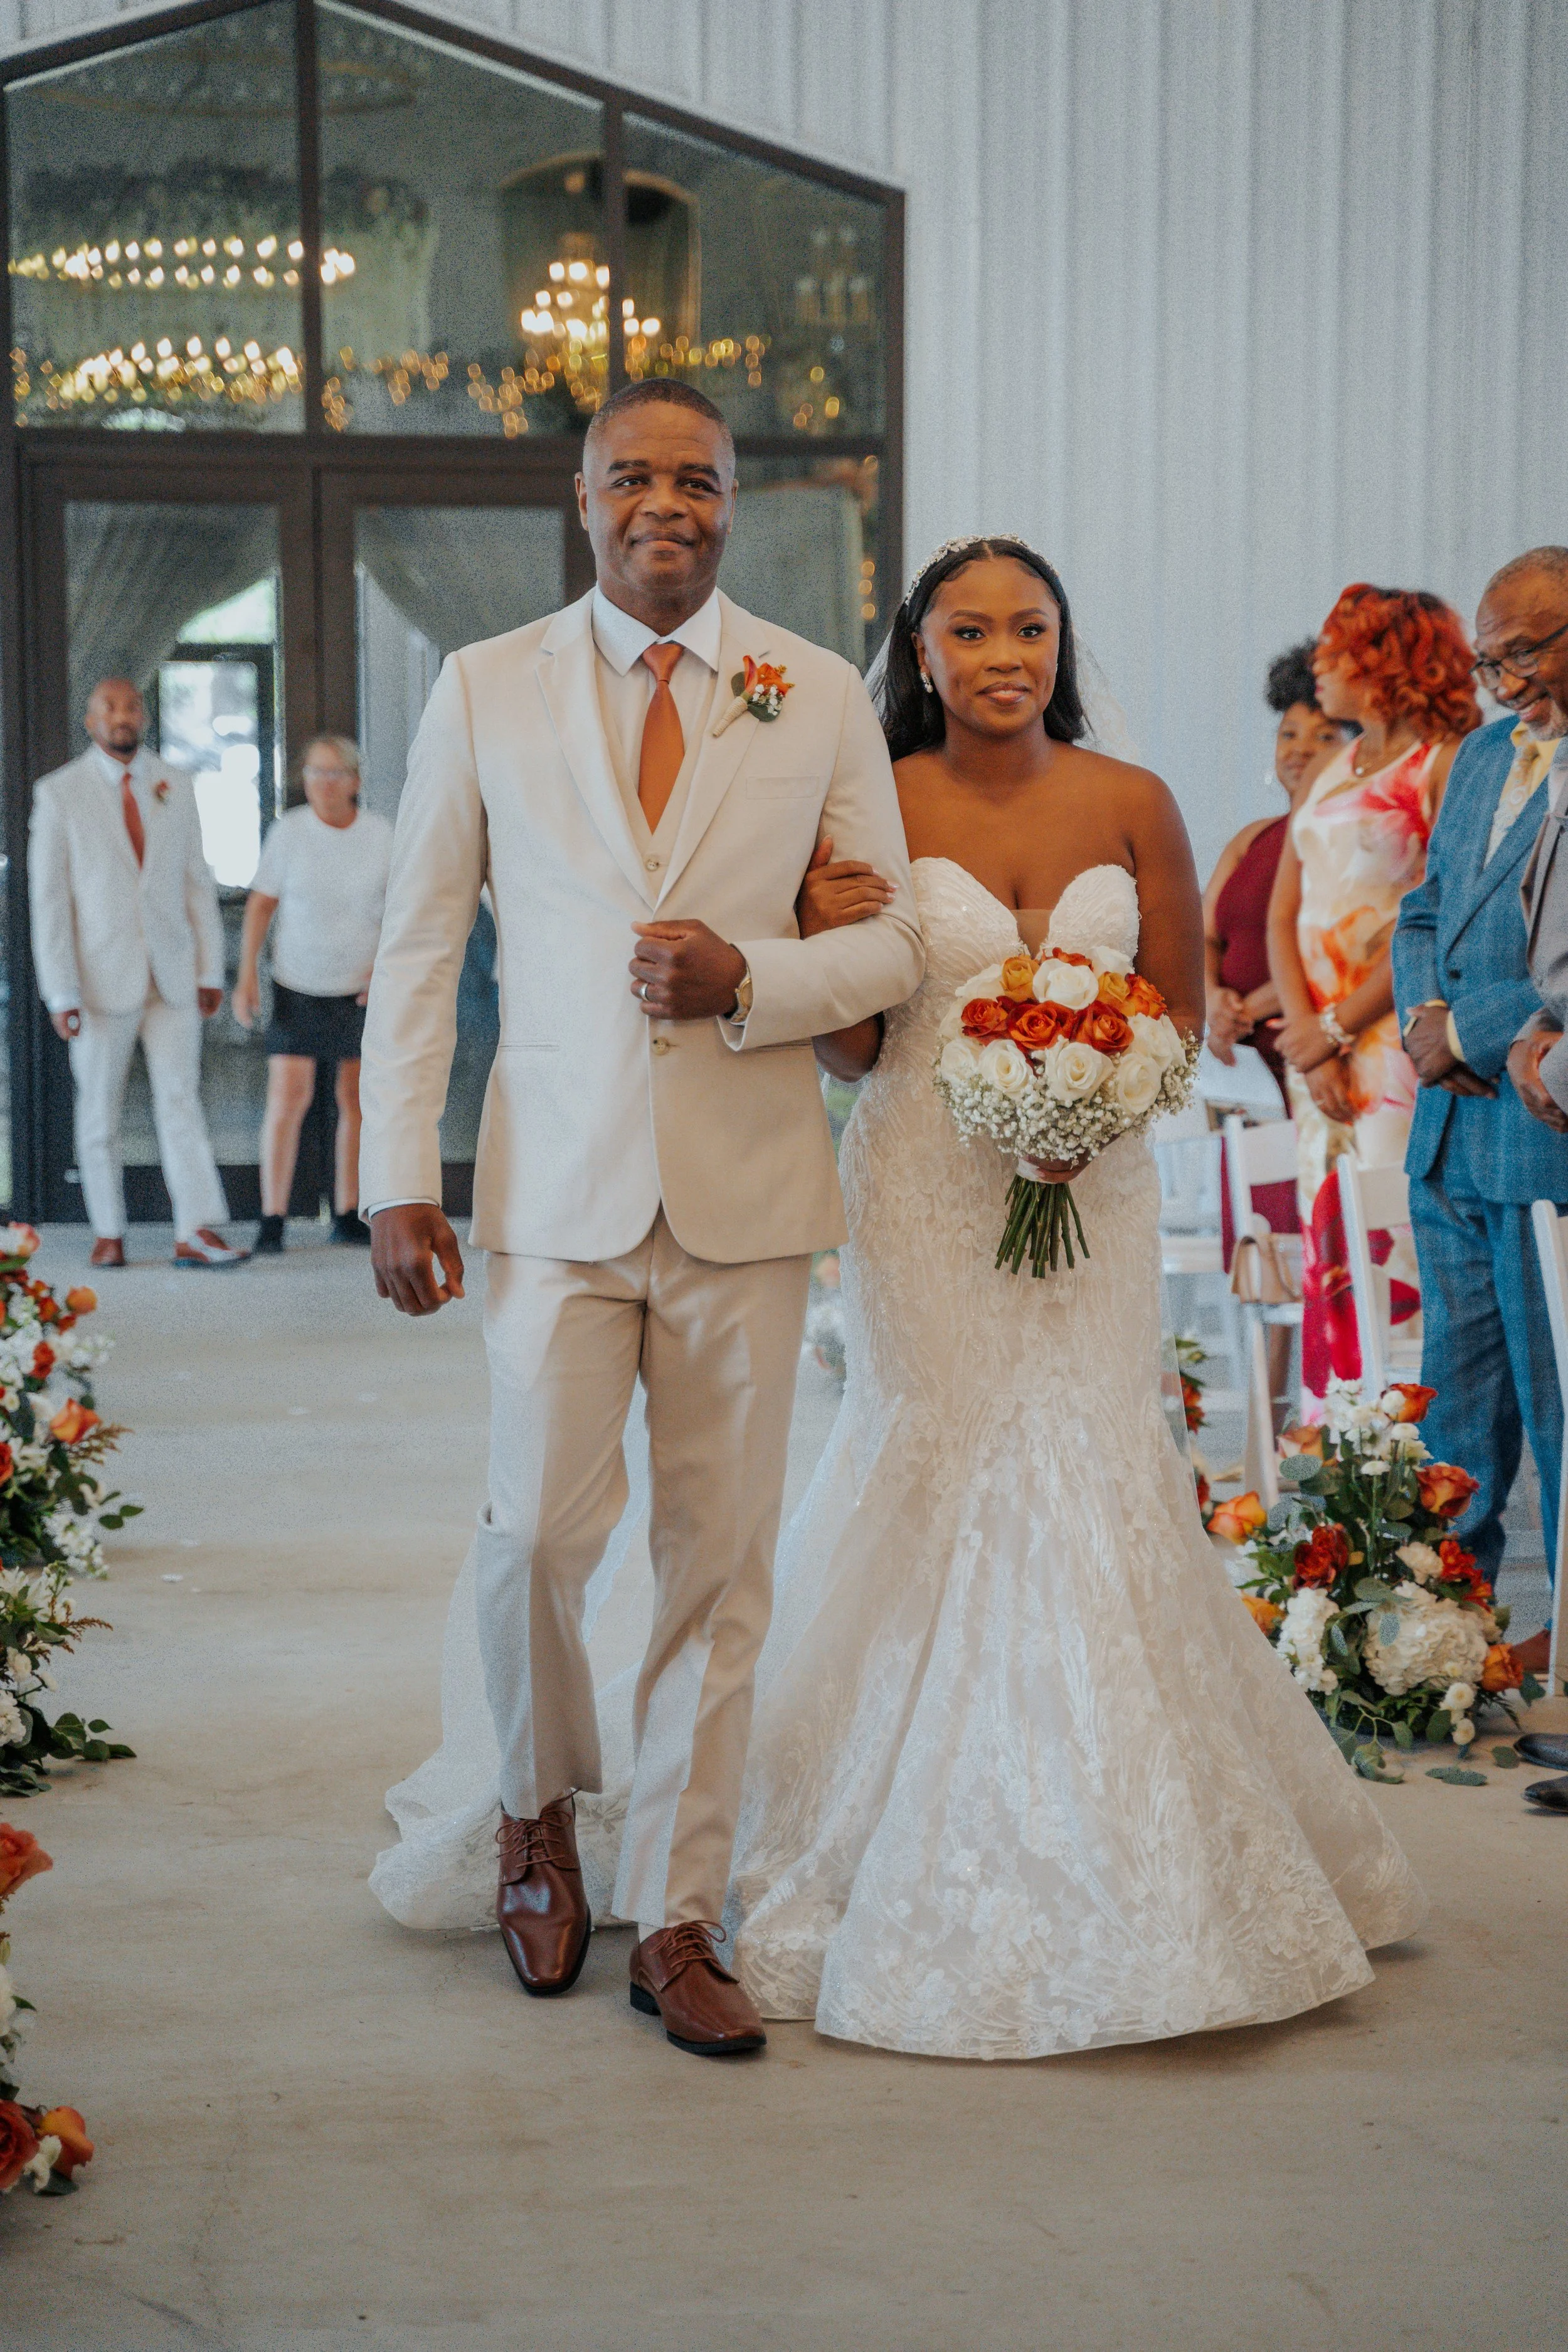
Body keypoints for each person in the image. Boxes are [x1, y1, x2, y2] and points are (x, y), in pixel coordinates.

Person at [371, 537, 1427, 2062]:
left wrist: (1101, 1096)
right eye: (971, 628)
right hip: (926, 1180)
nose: (1007, 652)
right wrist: (844, 952)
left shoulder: (1136, 800)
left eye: (1034, 626)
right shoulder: (876, 785)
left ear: (1066, 643)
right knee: (919, 1454)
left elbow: (1186, 1010)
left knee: (1093, 1465)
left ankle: (1126, 1832)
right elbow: (855, 1043)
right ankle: (691, 1821)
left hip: (1099, 1182)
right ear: (918, 652)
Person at [358, 377, 925, 2060]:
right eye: (631, 475)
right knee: (532, 1531)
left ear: (734, 502)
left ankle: (676, 1911)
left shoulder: (813, 690)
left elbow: (891, 950)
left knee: (717, 1566)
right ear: (581, 497)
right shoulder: (486, 687)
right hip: (554, 1192)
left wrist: (757, 974)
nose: (663, 499)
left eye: (697, 475)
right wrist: (397, 1167)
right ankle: (537, 1812)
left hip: (748, 1193)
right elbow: (417, 940)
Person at [1394, 550, 1568, 1683]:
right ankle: (1443, 1626)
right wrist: (1421, 1020)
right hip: (1448, 1127)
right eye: (1490, 659)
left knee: (1554, 1404)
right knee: (1453, 1399)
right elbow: (1422, 911)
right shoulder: (1483, 754)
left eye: (1527, 654)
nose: (1506, 685)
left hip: (1537, 1118)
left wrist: (1471, 1031)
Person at [1266, 586, 1480, 1410]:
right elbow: (1287, 909)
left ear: (1385, 662)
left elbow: (1435, 916)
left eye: (1336, 649)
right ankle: (1335, 1447)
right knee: (1328, 1236)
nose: (1318, 665)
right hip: (1316, 1042)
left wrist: (1335, 1028)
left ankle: (1409, 1463)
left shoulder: (1444, 763)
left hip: (1392, 1038)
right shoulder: (1333, 762)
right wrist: (1306, 1037)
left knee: (1391, 1242)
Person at [27, 676, 248, 1269]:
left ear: (143, 715)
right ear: (90, 721)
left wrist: (209, 971)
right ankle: (108, 1231)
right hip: (98, 981)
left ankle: (195, 1230)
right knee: (99, 1108)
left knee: (181, 1101)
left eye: (131, 706)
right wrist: (61, 990)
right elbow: (50, 902)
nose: (121, 716)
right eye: (109, 707)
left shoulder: (174, 783)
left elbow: (196, 882)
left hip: (172, 975)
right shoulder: (59, 793)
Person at [231, 737, 393, 1253]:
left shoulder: (381, 836)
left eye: (335, 774)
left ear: (355, 781)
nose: (324, 784)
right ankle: (272, 1216)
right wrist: (247, 976)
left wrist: (382, 970)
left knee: (355, 1100)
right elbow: (261, 906)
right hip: (297, 983)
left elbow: (401, 912)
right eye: (315, 773)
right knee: (288, 1099)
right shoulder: (290, 832)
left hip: (359, 988)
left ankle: (348, 1212)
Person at [1204, 640, 1347, 1094]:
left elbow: (1345, 945)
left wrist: (1251, 1007)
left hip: (1317, 1054)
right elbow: (1204, 936)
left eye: (1323, 736)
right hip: (1240, 1067)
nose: (1300, 750)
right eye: (1289, 735)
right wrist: (1212, 999)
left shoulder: (1357, 845)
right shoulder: (1251, 839)